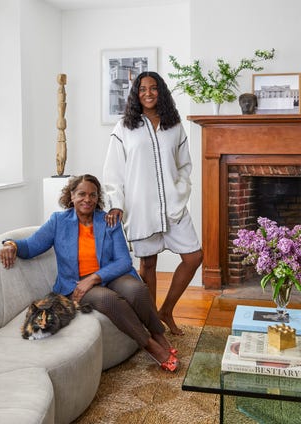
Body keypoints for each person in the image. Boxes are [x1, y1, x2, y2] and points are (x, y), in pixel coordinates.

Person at [0, 174, 178, 372]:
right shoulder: (58, 221)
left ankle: (158, 334)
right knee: (108, 300)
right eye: (82, 194)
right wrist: (11, 244)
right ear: (72, 196)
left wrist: (94, 277)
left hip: (110, 276)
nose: (88, 199)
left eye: (93, 195)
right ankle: (151, 346)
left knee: (137, 290)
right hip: (76, 283)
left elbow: (124, 261)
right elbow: (32, 246)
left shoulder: (109, 220)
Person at [103, 71, 203, 336]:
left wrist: (179, 191)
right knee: (148, 264)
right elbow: (114, 170)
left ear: (162, 92)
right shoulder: (125, 127)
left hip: (173, 206)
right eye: (142, 89)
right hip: (141, 206)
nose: (148, 93)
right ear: (136, 94)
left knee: (194, 257)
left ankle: (166, 310)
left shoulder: (174, 125)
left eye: (154, 88)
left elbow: (185, 165)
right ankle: (151, 322)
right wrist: (116, 203)